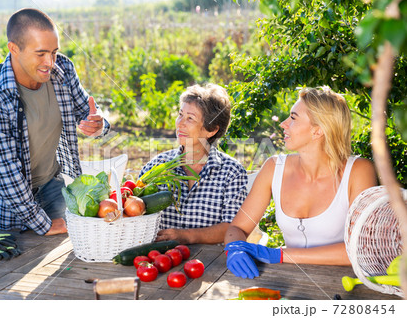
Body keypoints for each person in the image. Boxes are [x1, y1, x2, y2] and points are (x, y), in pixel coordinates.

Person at [0, 8, 109, 236]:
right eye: (41, 54)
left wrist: (99, 124)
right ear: (14, 49)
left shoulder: (62, 70)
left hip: (52, 188)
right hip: (5, 208)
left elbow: (89, 111)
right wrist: (43, 224)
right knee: (5, 267)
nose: (50, 62)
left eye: (54, 52)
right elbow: (6, 174)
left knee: (62, 264)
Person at [224, 87, 377, 279]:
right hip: (292, 280)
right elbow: (237, 228)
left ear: (318, 131)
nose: (283, 124)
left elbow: (362, 247)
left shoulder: (358, 171)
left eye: (293, 118)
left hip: (346, 285)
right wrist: (234, 249)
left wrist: (279, 254)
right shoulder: (274, 168)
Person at [138, 84, 248, 244]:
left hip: (210, 263)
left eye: (190, 118)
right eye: (180, 114)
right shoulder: (155, 167)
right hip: (159, 260)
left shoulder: (232, 173)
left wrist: (186, 236)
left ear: (211, 130)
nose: (180, 123)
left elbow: (234, 228)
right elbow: (134, 213)